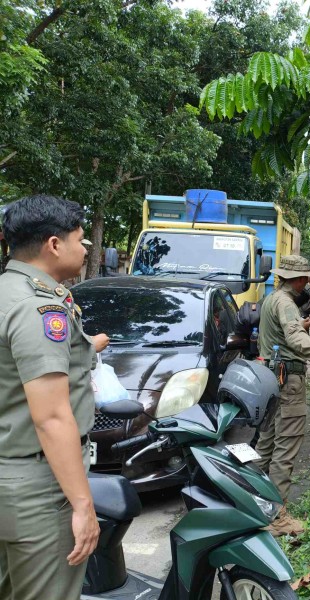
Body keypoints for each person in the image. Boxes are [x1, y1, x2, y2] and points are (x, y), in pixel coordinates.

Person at [0, 194, 110, 600]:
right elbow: (52, 417)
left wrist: (87, 348)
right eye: (81, 239)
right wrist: (82, 506)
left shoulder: (8, 293)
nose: (85, 249)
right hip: (38, 488)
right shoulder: (39, 309)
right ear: (53, 244)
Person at [255, 255, 310, 535]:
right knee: (285, 446)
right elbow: (293, 338)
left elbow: (284, 335)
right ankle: (277, 519)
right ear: (297, 279)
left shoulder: (272, 299)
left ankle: (253, 505)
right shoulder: (285, 302)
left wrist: (302, 328)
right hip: (288, 380)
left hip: (271, 377)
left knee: (265, 446)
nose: (307, 282)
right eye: (306, 278)